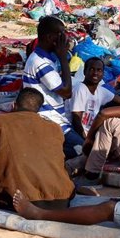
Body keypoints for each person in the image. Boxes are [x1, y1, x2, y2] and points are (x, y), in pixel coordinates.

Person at [0, 88, 75, 212]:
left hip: (16, 201)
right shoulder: (55, 128)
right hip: (62, 201)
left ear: (14, 105)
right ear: (38, 110)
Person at [23, 16, 81, 159]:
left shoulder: (45, 58)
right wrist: (63, 57)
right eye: (61, 34)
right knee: (81, 150)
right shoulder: (40, 62)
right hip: (49, 120)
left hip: (55, 118)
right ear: (50, 37)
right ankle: (44, 156)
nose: (65, 39)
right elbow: (66, 92)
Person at [69, 58, 120, 138]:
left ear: (102, 73)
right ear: (84, 71)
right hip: (76, 132)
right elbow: (76, 120)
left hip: (90, 132)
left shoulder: (100, 91)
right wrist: (86, 140)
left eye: (99, 70)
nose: (95, 73)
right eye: (91, 69)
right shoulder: (80, 89)